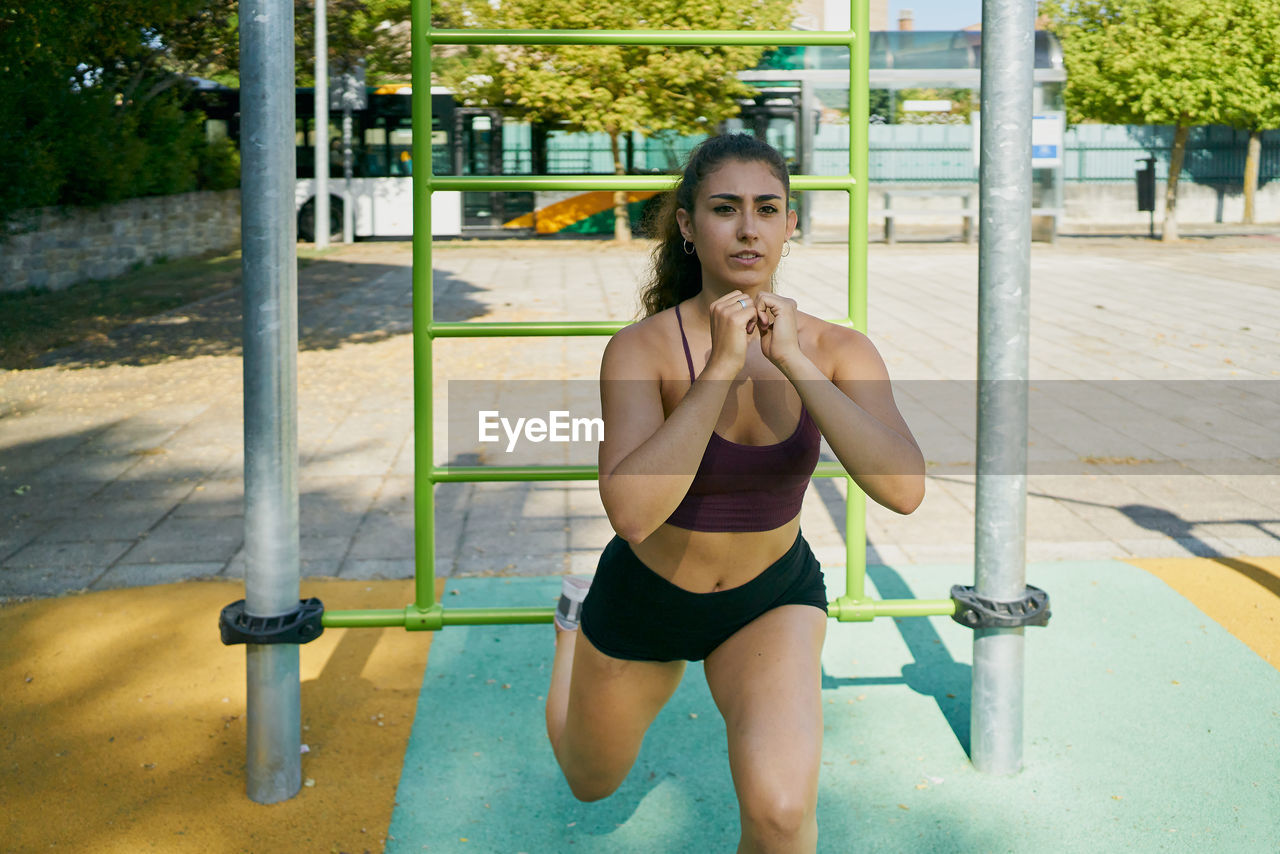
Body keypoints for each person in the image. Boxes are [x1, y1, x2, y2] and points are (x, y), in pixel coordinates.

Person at [544, 134, 925, 853]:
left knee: (782, 813)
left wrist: (793, 360)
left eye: (766, 209)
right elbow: (631, 514)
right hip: (645, 601)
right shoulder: (642, 350)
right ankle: (571, 632)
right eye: (725, 209)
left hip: (767, 600)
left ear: (790, 224)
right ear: (688, 225)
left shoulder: (841, 349)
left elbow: (903, 490)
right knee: (588, 779)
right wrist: (720, 367)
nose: (748, 228)